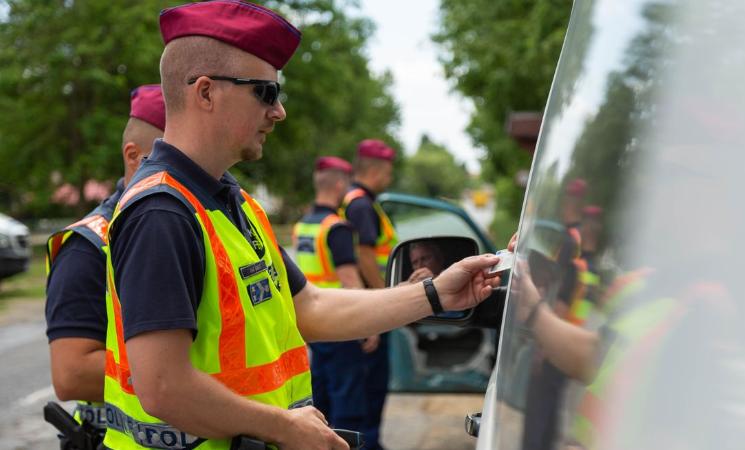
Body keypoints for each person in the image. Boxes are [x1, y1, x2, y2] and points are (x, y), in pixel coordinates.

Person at [101, 3, 501, 450]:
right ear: (206, 92)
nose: (280, 112)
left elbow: (308, 307)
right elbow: (163, 386)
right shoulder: (163, 213)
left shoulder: (232, 202)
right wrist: (286, 427)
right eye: (267, 93)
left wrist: (434, 295)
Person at [44, 85, 165, 444]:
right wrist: (181, 370)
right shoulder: (88, 247)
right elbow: (71, 374)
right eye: (172, 157)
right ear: (133, 156)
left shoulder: (201, 222)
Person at [292, 156, 379, 439]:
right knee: (349, 398)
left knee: (322, 396)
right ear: (340, 183)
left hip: (311, 325)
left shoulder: (303, 226)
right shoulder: (336, 228)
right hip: (340, 324)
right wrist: (369, 323)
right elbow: (350, 280)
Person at [341, 138, 398, 449]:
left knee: (347, 392)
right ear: (376, 170)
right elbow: (365, 256)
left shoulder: (350, 200)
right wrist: (385, 301)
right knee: (369, 390)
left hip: (352, 306)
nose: (389, 177)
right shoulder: (363, 205)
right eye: (388, 171)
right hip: (369, 308)